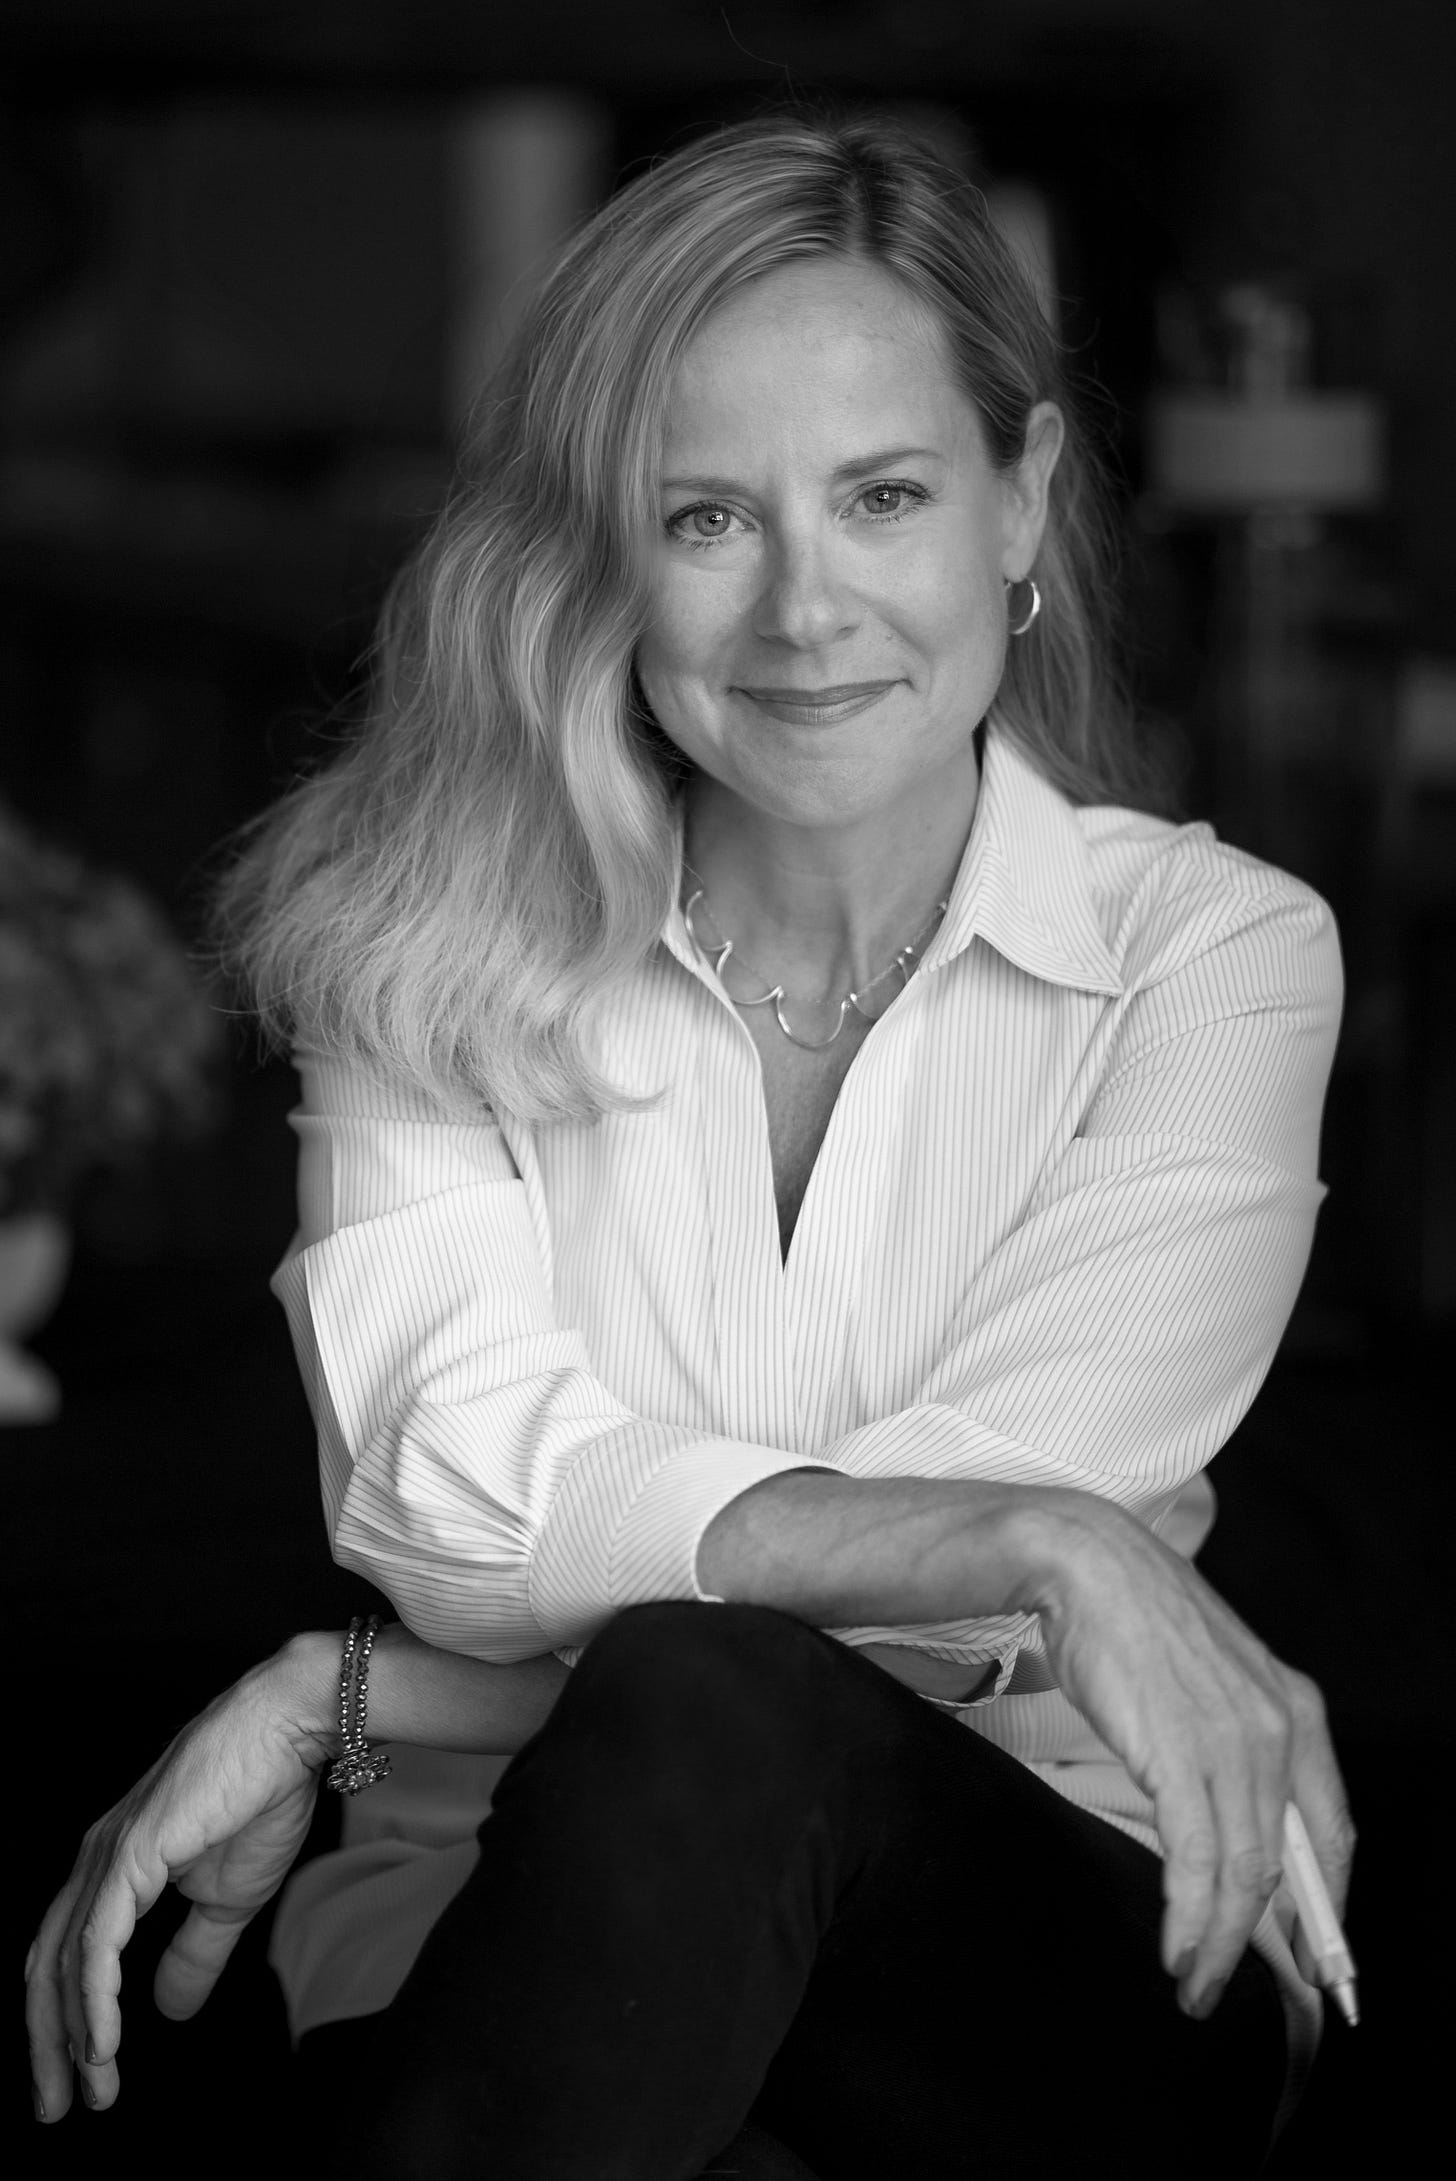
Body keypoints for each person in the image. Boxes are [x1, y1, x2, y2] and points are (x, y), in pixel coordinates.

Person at [25, 115, 1352, 2179]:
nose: (804, 610)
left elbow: (947, 1629)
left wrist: (367, 1697)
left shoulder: (1218, 956)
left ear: (1019, 506)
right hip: (510, 1942)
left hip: (1039, 1951)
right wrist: (1034, 1543)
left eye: (885, 496)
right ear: (592, 556)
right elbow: (443, 1490)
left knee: (712, 1705)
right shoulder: (425, 953)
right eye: (704, 513)